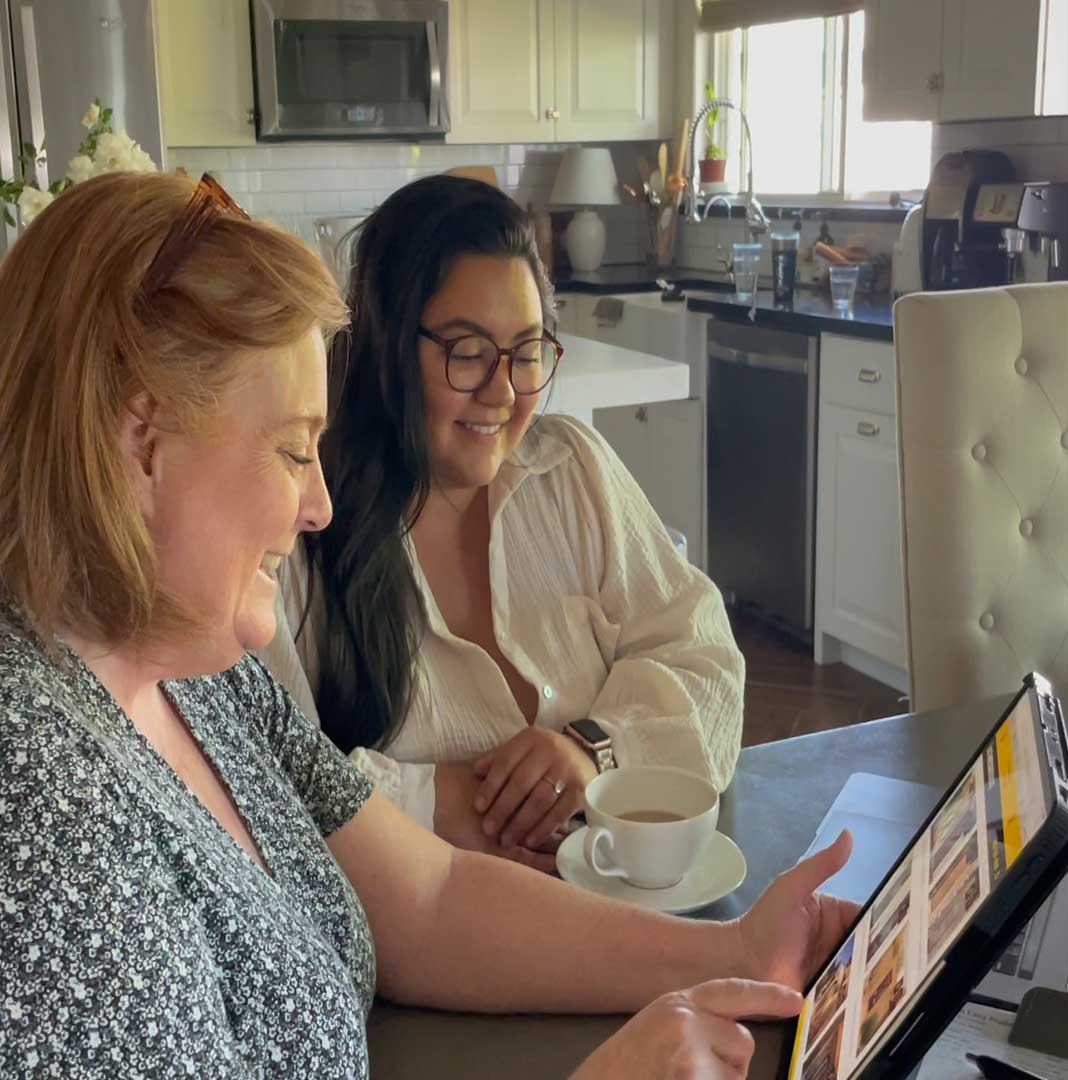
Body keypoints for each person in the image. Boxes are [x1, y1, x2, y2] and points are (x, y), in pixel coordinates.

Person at [0, 170, 857, 1078]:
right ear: (143, 443)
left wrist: (736, 956)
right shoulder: (46, 816)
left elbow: (430, 898)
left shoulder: (199, 682)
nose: (318, 504)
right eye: (293, 450)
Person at [260, 175, 746, 871]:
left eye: (526, 351)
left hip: (622, 912)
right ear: (389, 347)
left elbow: (707, 657)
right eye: (465, 351)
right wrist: (437, 801)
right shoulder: (301, 530)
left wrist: (595, 747)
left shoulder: (573, 471)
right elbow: (270, 792)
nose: (505, 392)